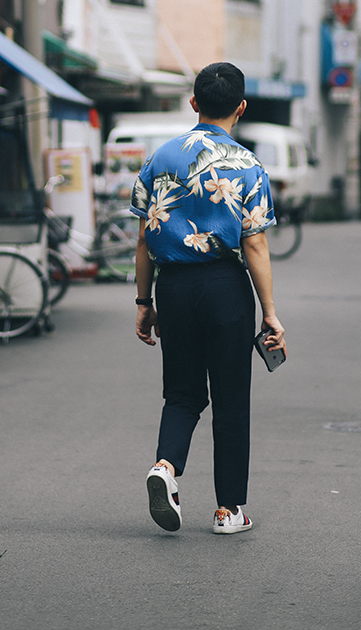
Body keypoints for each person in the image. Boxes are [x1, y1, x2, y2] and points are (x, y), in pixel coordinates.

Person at [130, 61, 285, 536]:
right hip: (224, 288)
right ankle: (228, 511)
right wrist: (271, 314)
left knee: (181, 394)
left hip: (173, 287)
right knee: (230, 399)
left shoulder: (161, 159)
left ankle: (166, 467)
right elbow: (255, 243)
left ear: (193, 103)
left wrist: (144, 300)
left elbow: (143, 237)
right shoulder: (248, 165)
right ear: (241, 108)